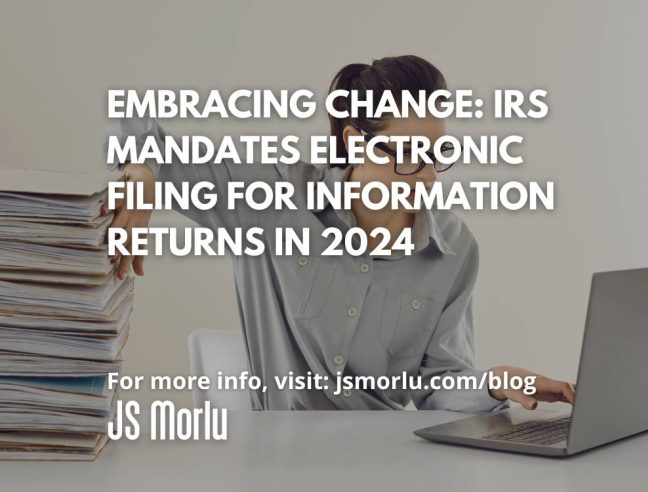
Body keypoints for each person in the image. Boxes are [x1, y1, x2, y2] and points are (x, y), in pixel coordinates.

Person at [104, 55, 575, 411]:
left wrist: (489, 382)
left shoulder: (455, 251)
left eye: (437, 155)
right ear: (355, 142)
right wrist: (145, 172)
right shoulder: (277, 199)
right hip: (279, 465)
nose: (428, 176)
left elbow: (436, 384)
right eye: (408, 155)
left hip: (387, 465)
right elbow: (133, 123)